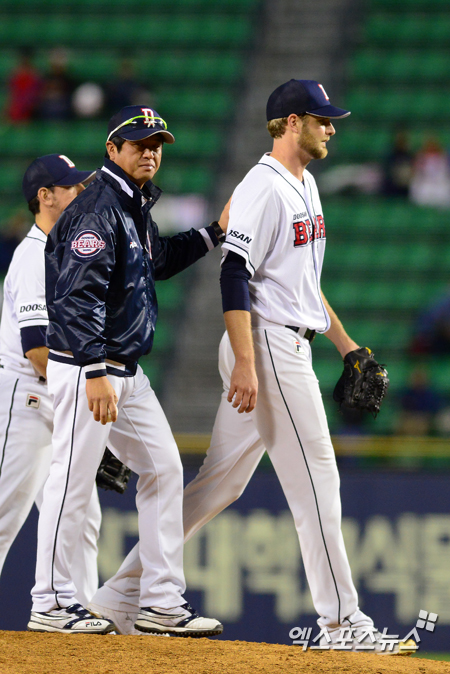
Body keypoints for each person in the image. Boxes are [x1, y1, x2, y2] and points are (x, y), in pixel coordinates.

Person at [87, 82, 414, 655]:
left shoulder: (306, 184)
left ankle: (119, 594)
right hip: (265, 349)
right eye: (322, 119)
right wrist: (245, 361)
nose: (332, 127)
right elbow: (235, 275)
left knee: (220, 484)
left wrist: (347, 345)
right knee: (317, 479)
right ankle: (343, 623)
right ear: (291, 123)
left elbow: (303, 288)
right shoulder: (263, 187)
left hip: (283, 339)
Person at [28, 105, 227, 636]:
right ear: (112, 150)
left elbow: (154, 261)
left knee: (164, 469)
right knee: (70, 481)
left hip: (125, 370)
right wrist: (94, 370)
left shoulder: (131, 204)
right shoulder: (97, 207)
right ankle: (50, 601)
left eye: (157, 143)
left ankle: (160, 601)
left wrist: (213, 234)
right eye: (139, 143)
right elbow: (77, 297)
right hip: (89, 366)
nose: (151, 152)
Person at [0, 155, 101, 607]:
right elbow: (38, 351)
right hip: (25, 400)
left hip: (54, 398)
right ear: (45, 196)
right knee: (4, 515)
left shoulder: (62, 249)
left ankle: (79, 618)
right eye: (71, 187)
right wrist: (83, 398)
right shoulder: (32, 255)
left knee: (79, 517)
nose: (80, 192)